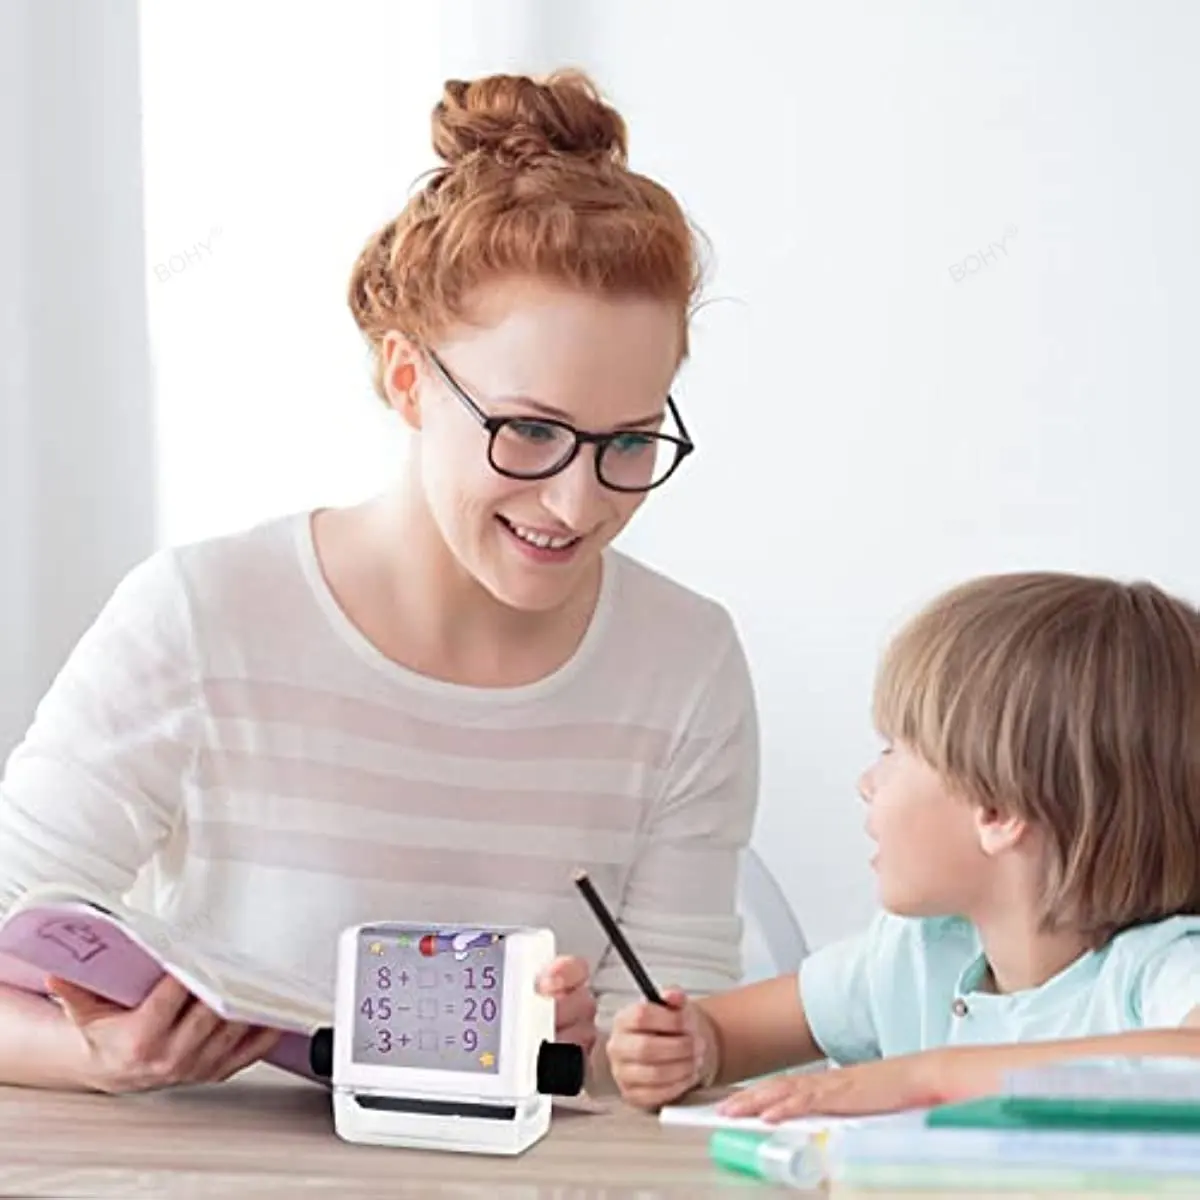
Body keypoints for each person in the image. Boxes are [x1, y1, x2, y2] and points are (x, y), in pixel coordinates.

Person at [0, 69, 760, 1093]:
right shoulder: (201, 617)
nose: (579, 505)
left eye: (628, 442)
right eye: (529, 430)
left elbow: (677, 1037)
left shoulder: (685, 662)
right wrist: (100, 1058)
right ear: (407, 379)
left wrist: (619, 1051)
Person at [608, 571, 1200, 1119]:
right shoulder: (913, 956)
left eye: (892, 751)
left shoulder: (1161, 969)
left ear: (998, 811)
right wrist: (688, 1047)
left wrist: (929, 1077)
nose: (867, 782)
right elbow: (724, 1034)